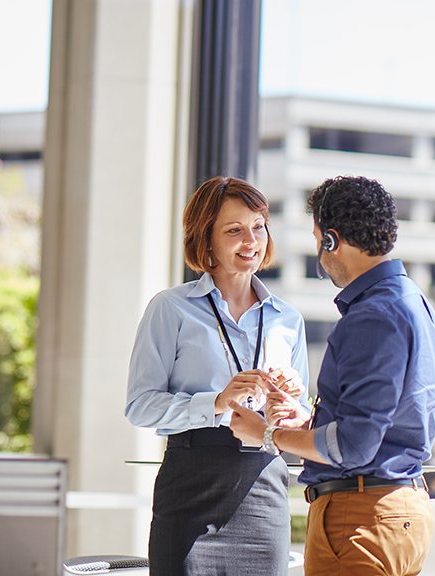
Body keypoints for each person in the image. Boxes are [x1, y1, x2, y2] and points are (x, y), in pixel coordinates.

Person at [228, 175, 435, 576]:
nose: (318, 254)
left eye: (317, 240)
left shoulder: (373, 316)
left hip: (361, 518)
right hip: (400, 511)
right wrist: (308, 424)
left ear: (332, 240)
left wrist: (266, 434)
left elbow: (355, 447)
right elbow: (385, 423)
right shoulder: (414, 303)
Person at [125, 176, 308, 576]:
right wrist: (217, 402)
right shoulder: (170, 309)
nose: (251, 240)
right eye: (234, 230)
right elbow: (139, 407)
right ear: (205, 240)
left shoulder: (289, 320)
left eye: (258, 226)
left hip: (264, 488)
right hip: (191, 483)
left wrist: (290, 406)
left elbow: (300, 416)